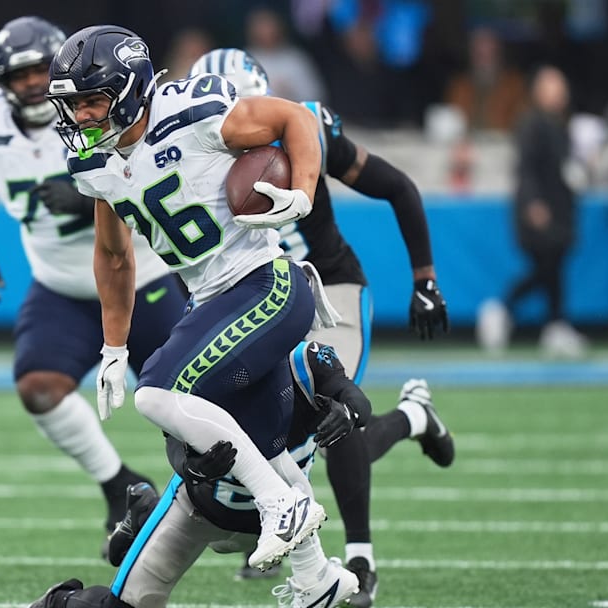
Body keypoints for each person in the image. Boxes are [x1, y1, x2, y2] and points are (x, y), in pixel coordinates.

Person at [46, 25, 338, 573]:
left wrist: (302, 190)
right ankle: (318, 579)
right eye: (73, 105)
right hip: (210, 298)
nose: (81, 116)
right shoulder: (94, 164)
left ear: (130, 89)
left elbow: (294, 118)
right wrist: (113, 348)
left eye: (91, 101)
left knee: (155, 394)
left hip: (265, 281)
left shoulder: (193, 110)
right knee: (264, 445)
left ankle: (283, 508)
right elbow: (113, 257)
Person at [189, 48, 454, 604]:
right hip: (254, 299)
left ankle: (360, 555)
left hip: (326, 291)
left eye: (240, 113)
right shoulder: (187, 150)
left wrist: (425, 278)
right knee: (247, 419)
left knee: (332, 421)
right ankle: (411, 417)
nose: (231, 129)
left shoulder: (302, 124)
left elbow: (398, 186)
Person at [0, 17, 182, 550]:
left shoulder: (103, 113)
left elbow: (147, 173)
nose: (35, 83)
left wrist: (86, 195)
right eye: (21, 75)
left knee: (187, 401)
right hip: (60, 282)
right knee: (39, 387)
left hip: (141, 277)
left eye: (42, 69)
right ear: (0, 83)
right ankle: (119, 485)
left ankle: (235, 504)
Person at [27, 340, 369, 608]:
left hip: (274, 525)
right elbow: (175, 447)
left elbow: (354, 396)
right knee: (131, 604)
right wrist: (195, 466)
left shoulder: (306, 361)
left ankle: (317, 579)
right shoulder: (198, 363)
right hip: (198, 510)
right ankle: (62, 598)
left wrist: (349, 412)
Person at [477, 66, 588, 359]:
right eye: (553, 87)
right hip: (540, 208)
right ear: (539, 92)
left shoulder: (562, 125)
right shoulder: (531, 123)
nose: (560, 93)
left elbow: (567, 169)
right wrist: (533, 202)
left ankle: (555, 324)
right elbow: (525, 169)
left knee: (553, 267)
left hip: (560, 208)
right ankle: (504, 309)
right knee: (546, 267)